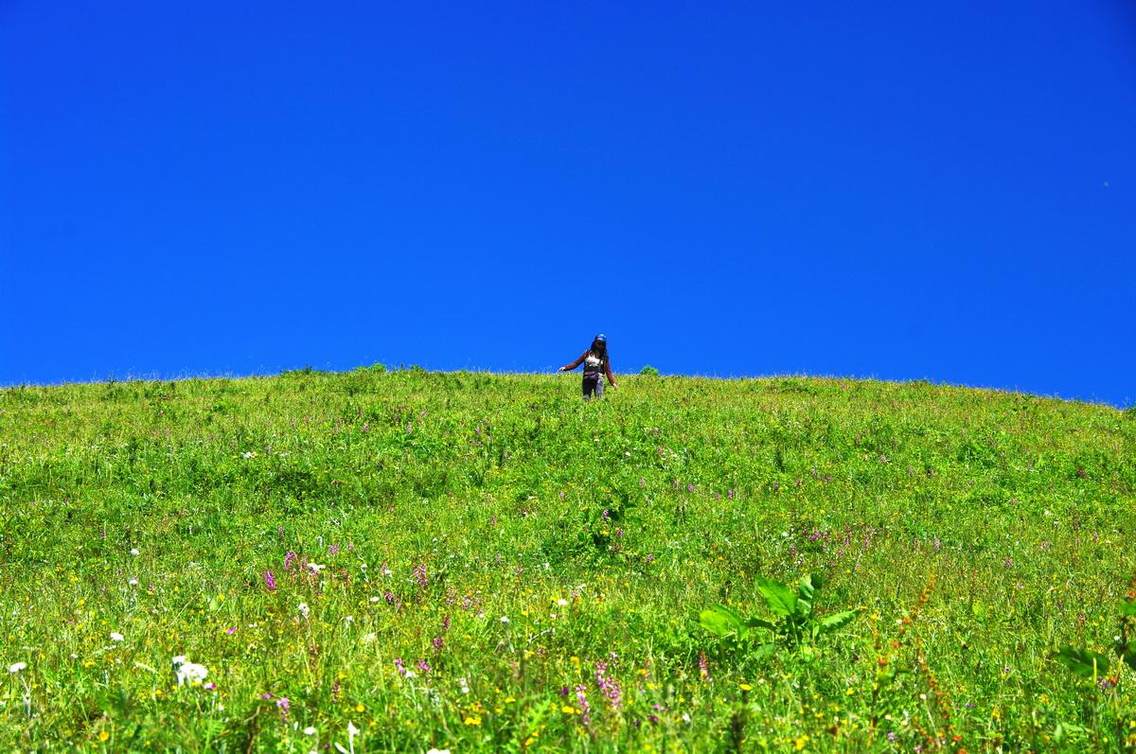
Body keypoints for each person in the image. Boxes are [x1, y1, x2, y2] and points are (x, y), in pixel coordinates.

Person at [558, 334, 617, 399]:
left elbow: (608, 372)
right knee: (586, 398)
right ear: (595, 343)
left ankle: (600, 408)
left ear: (604, 346)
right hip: (586, 378)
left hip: (598, 379)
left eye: (602, 344)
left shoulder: (604, 358)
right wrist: (565, 368)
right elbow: (576, 363)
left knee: (599, 397)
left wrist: (613, 383)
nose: (600, 345)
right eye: (599, 343)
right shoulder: (587, 353)